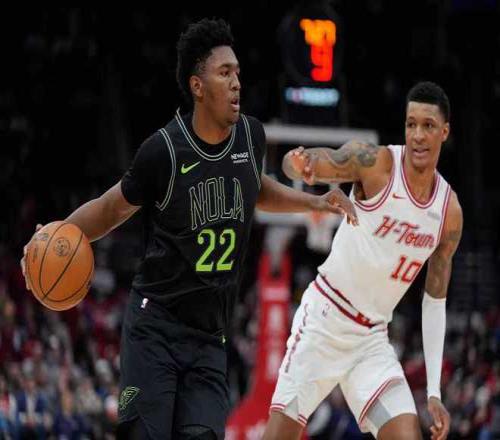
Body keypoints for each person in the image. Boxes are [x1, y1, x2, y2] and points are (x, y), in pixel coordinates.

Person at [20, 18, 357, 440]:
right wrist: (54, 235)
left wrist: (313, 202)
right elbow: (109, 209)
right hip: (155, 330)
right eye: (224, 73)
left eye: (237, 73)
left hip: (210, 338)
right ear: (198, 86)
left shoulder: (250, 136)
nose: (236, 83)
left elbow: (254, 187)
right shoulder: (163, 151)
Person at [263, 81, 463, 440]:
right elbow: (310, 163)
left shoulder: (448, 213)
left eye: (428, 125)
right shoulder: (377, 164)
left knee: (405, 434)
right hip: (324, 322)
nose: (418, 135)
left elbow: (435, 301)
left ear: (444, 132)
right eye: (411, 124)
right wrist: (300, 164)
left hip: (371, 340)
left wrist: (433, 391)